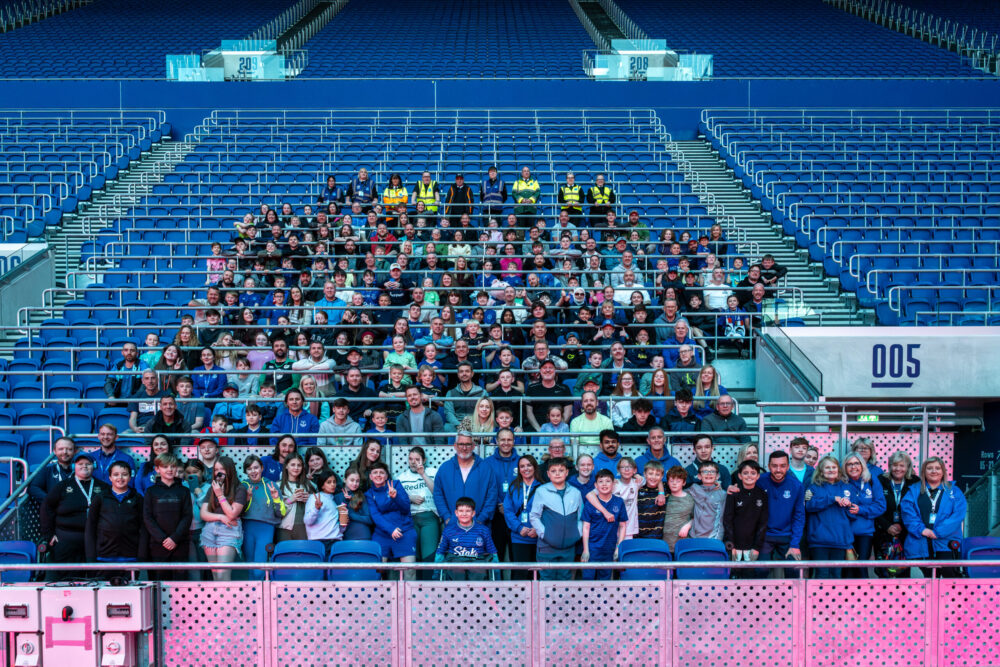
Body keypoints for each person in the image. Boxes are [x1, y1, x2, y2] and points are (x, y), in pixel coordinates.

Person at [41, 452, 107, 578]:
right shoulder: (62, 486)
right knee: (68, 579)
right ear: (74, 466)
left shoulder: (103, 487)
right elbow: (46, 508)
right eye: (80, 464)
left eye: (88, 464)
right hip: (67, 540)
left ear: (94, 466)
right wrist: (49, 534)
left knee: (96, 579)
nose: (84, 466)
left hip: (96, 540)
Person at [900, 456, 967, 578]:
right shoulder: (913, 490)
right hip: (919, 543)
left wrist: (938, 532)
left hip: (947, 544)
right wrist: (922, 530)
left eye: (937, 468)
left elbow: (958, 515)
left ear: (943, 471)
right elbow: (907, 513)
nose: (934, 471)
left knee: (950, 581)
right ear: (924, 472)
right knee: (926, 583)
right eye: (929, 468)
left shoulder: (954, 491)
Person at [84, 460, 142, 579]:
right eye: (116, 474)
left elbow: (143, 528)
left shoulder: (138, 498)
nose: (120, 478)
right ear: (110, 477)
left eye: (124, 474)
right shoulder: (100, 498)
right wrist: (91, 557)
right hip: (104, 557)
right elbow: (90, 528)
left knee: (130, 594)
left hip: (130, 557)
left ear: (130, 476)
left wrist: (141, 557)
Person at [529, 457, 583, 581]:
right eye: (553, 471)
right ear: (548, 474)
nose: (557, 473)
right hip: (547, 547)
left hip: (569, 548)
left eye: (561, 470)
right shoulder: (541, 491)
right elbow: (534, 516)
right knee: (546, 581)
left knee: (565, 580)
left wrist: (577, 534)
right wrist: (544, 534)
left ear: (567, 472)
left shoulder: (576, 493)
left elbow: (581, 517)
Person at [143, 453, 193, 581]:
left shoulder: (184, 491)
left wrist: (175, 538)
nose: (170, 469)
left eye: (172, 466)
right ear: (157, 469)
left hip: (179, 543)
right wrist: (163, 539)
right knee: (159, 580)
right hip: (158, 544)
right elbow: (148, 518)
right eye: (165, 467)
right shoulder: (151, 491)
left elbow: (187, 516)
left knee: (180, 581)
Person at [757, 450, 806, 576]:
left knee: (793, 570)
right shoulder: (760, 481)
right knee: (760, 570)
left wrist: (795, 544)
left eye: (782, 466)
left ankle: (791, 596)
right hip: (765, 535)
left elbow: (799, 516)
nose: (778, 469)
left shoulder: (796, 486)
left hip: (787, 535)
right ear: (769, 466)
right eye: (774, 466)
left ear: (788, 467)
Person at [805, 456, 854, 579]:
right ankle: (819, 599)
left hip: (840, 539)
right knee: (822, 575)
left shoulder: (846, 487)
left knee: (836, 575)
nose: (831, 470)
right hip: (819, 540)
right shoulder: (813, 487)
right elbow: (809, 506)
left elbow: (854, 511)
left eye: (833, 467)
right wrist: (832, 499)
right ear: (821, 470)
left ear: (838, 469)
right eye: (827, 467)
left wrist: (849, 505)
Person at [366, 461, 417, 576]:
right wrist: (391, 529)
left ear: (386, 475)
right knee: (377, 572)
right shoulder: (369, 493)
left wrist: (396, 497)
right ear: (370, 476)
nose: (378, 475)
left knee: (410, 572)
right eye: (375, 472)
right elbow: (375, 515)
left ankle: (408, 594)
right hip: (382, 533)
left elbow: (405, 508)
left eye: (381, 472)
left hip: (404, 531)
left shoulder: (396, 484)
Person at [200, 457, 247, 581]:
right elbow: (203, 513)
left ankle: (227, 600)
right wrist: (220, 517)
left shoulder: (240, 488)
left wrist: (220, 495)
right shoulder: (213, 488)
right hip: (209, 531)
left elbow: (232, 514)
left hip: (229, 531)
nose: (219, 472)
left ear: (229, 470)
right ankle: (219, 601)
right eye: (216, 470)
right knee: (215, 575)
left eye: (222, 469)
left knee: (223, 574)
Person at [874, 451, 919, 578]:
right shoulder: (880, 480)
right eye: (894, 465)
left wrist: (902, 526)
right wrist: (887, 526)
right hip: (883, 531)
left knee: (903, 571)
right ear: (889, 466)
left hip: (906, 532)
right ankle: (884, 597)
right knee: (883, 571)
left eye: (902, 465)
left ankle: (902, 597)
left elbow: (917, 509)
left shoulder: (915, 482)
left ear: (908, 467)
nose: (898, 469)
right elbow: (874, 506)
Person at [396, 447, 439, 577]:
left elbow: (437, 493)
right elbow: (395, 499)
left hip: (429, 517)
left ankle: (427, 591)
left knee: (428, 556)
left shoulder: (432, 472)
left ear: (424, 460)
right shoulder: (401, 477)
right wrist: (409, 498)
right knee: (415, 557)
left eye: (417, 459)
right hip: (410, 519)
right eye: (410, 459)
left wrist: (423, 474)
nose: (413, 462)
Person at [843, 451, 886, 577]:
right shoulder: (841, 482)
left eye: (856, 463)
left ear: (862, 465)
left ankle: (864, 596)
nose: (853, 467)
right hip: (845, 533)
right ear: (845, 467)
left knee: (861, 568)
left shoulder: (872, 481)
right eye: (849, 464)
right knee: (847, 571)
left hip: (864, 533)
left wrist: (861, 510)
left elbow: (881, 506)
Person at [723, 460, 769, 578]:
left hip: (752, 546)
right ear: (739, 475)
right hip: (735, 545)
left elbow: (762, 523)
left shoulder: (762, 495)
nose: (749, 476)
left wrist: (756, 547)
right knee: (734, 575)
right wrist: (731, 544)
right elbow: (728, 520)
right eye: (746, 473)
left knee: (750, 576)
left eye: (753, 473)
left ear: (758, 476)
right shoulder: (733, 493)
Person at [435, 497, 498, 581]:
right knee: (456, 569)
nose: (464, 514)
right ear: (456, 513)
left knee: (479, 569)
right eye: (461, 511)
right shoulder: (448, 530)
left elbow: (493, 553)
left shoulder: (483, 530)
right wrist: (436, 576)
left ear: (473, 513)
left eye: (468, 511)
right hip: (456, 563)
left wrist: (497, 578)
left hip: (477, 562)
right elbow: (440, 553)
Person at [240, 455, 286, 571]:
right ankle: (251, 588)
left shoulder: (271, 485)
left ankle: (261, 587)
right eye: (249, 469)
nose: (253, 471)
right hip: (247, 527)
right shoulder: (243, 486)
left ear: (262, 468)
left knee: (261, 565)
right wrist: (246, 499)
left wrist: (276, 499)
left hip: (266, 528)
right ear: (245, 471)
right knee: (249, 564)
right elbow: (237, 512)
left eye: (256, 467)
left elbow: (281, 513)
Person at [581, 469, 628, 580]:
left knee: (605, 581)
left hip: (609, 548)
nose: (604, 484)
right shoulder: (591, 503)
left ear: (613, 484)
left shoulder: (619, 502)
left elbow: (622, 526)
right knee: (588, 580)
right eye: (601, 482)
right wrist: (586, 549)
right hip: (593, 548)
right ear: (596, 485)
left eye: (607, 481)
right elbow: (586, 527)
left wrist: (618, 548)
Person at [503, 455, 540, 579]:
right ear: (519, 469)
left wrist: (538, 529)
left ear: (534, 467)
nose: (526, 469)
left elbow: (548, 512)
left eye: (529, 465)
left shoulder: (543, 487)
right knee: (520, 573)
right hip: (519, 537)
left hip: (539, 538)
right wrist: (519, 528)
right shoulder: (514, 487)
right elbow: (508, 511)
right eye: (522, 466)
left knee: (536, 573)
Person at [304, 470, 345, 555]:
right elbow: (307, 521)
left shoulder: (333, 500)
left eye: (334, 482)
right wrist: (316, 508)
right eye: (329, 482)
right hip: (320, 541)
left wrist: (343, 525)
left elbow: (334, 525)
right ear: (322, 485)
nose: (333, 484)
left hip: (335, 540)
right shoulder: (314, 498)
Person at [276, 454, 313, 542]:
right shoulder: (278, 486)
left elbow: (318, 510)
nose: (296, 468)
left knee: (303, 554)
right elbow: (276, 513)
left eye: (299, 465)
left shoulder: (310, 485)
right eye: (293, 465)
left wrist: (310, 500)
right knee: (285, 554)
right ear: (286, 466)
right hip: (284, 529)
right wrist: (290, 500)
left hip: (305, 528)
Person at [29, 436, 76, 501]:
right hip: (54, 508)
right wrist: (50, 500)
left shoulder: (81, 470)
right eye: (61, 449)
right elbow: (33, 488)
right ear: (54, 451)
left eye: (69, 449)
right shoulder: (47, 471)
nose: (65, 452)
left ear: (75, 451)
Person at [688, 461, 726, 541]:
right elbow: (678, 491)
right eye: (705, 471)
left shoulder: (722, 494)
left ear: (717, 476)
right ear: (699, 476)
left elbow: (721, 519)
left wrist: (718, 539)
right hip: (694, 536)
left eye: (712, 471)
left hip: (713, 537)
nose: (709, 474)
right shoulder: (694, 489)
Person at [661, 466, 694, 552]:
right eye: (671, 481)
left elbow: (697, 517)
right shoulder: (665, 497)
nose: (674, 483)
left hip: (683, 543)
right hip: (665, 543)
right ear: (667, 482)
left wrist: (688, 525)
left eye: (678, 481)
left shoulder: (690, 498)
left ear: (684, 483)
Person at [337, 468, 374, 541]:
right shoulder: (337, 497)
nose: (355, 484)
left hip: (363, 535)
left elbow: (369, 519)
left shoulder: (361, 496)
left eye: (357, 481)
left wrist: (350, 514)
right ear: (344, 480)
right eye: (352, 480)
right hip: (345, 537)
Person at [635, 461, 667, 539]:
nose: (653, 477)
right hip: (638, 536)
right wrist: (635, 475)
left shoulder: (666, 489)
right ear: (644, 474)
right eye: (650, 473)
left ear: (662, 476)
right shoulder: (638, 488)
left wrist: (661, 493)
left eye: (657, 475)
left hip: (658, 537)